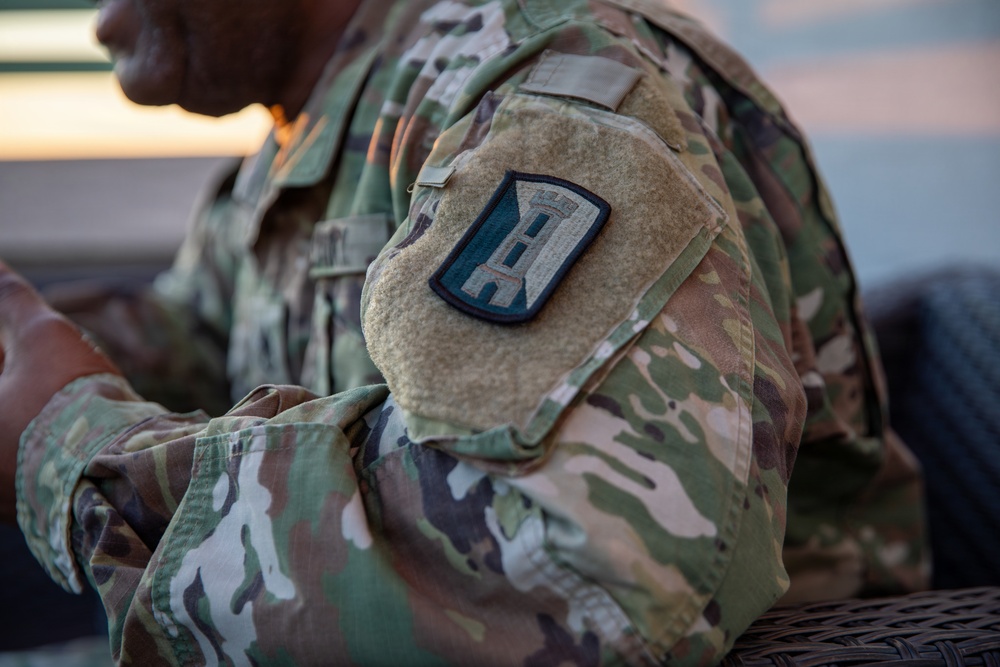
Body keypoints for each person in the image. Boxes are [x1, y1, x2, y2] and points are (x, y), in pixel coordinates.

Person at [0, 0, 929, 663]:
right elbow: (204, 332)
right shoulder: (306, 134)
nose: (96, 21)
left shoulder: (535, 93)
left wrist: (69, 450)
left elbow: (560, 577)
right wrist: (29, 344)